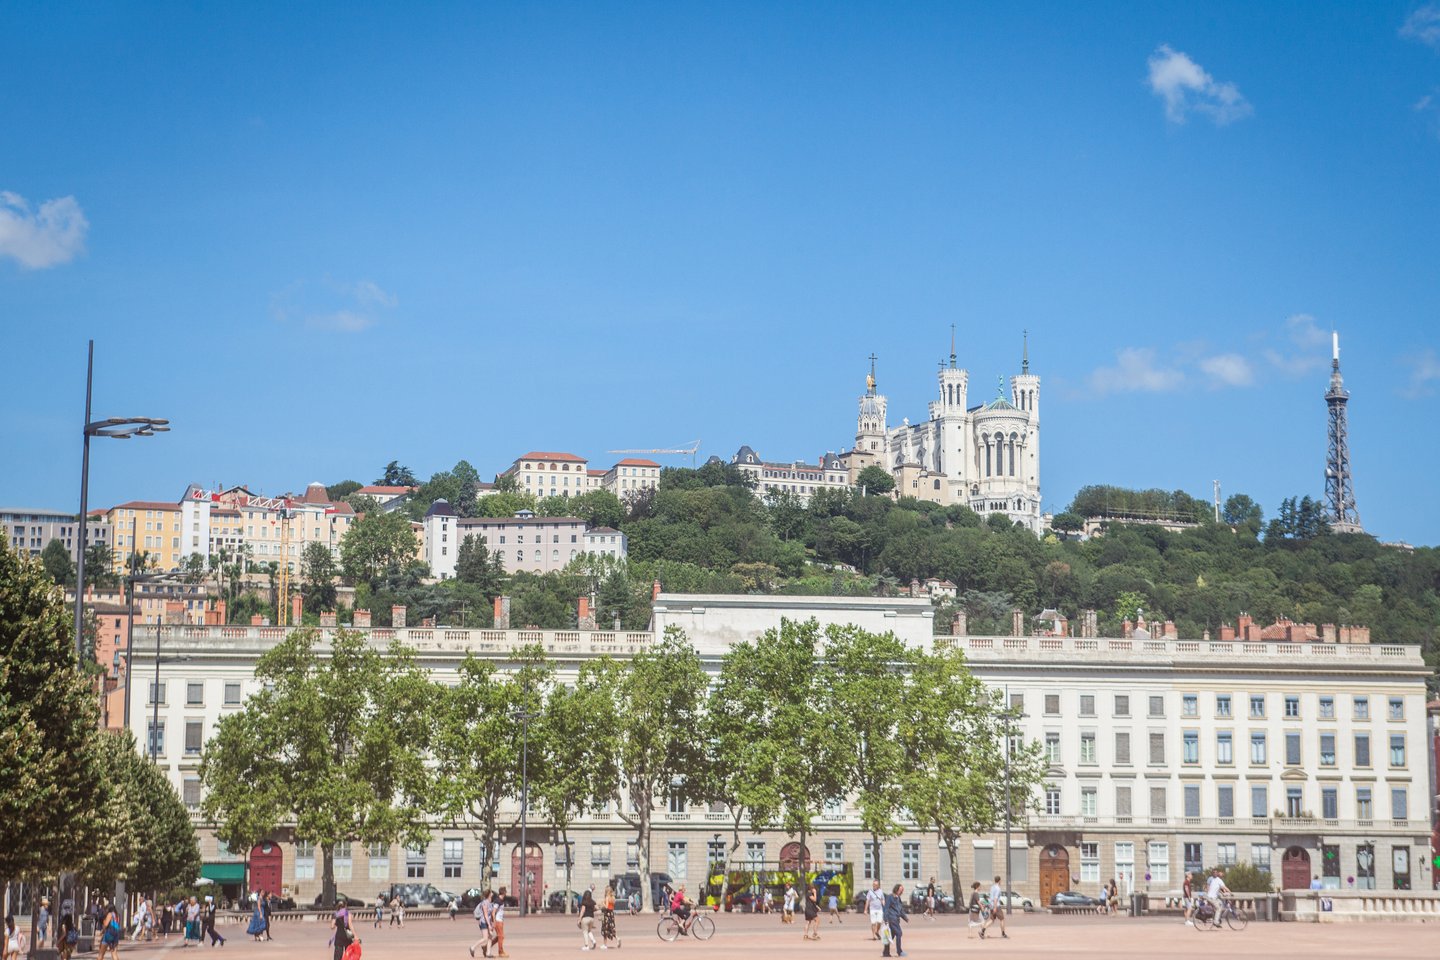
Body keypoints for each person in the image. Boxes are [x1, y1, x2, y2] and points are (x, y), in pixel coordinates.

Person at [880, 884, 907, 958]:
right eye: (900, 890)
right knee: (899, 933)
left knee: (890, 937)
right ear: (896, 889)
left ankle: (886, 952)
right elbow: (886, 908)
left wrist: (905, 918)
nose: (901, 892)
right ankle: (899, 951)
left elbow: (900, 910)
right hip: (892, 919)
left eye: (902, 891)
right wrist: (885, 919)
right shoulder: (890, 897)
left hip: (896, 919)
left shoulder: (898, 898)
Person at [981, 875, 1007, 940]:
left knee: (992, 920)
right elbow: (995, 898)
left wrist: (992, 906)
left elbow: (991, 897)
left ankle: (982, 931)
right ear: (999, 881)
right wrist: (995, 907)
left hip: (991, 905)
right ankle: (1003, 934)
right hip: (996, 906)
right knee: (1002, 919)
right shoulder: (998, 888)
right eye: (1001, 881)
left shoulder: (992, 887)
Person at [600, 883, 620, 950]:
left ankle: (605, 944)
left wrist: (603, 903)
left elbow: (606, 907)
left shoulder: (607, 897)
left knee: (605, 929)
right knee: (611, 928)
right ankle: (617, 938)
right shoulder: (613, 898)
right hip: (611, 914)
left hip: (607, 914)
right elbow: (612, 905)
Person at [492, 887, 509, 959]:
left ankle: (486, 947)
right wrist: (494, 922)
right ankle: (501, 952)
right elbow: (493, 912)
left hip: (500, 921)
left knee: (499, 937)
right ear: (504, 892)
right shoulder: (498, 901)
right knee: (501, 936)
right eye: (506, 892)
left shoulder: (501, 900)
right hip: (498, 921)